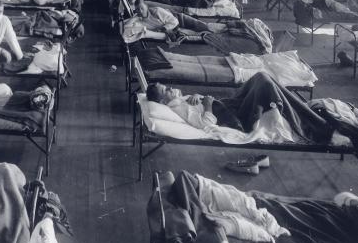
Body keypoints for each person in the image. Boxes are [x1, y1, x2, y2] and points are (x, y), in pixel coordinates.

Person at [145, 72, 355, 147]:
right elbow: (205, 124)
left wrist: (196, 97)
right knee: (265, 83)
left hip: (229, 106)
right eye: (167, 90)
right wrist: (206, 102)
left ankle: (299, 111)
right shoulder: (178, 108)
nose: (172, 88)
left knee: (261, 77)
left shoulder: (179, 101)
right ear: (163, 101)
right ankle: (325, 132)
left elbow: (195, 109)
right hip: (235, 118)